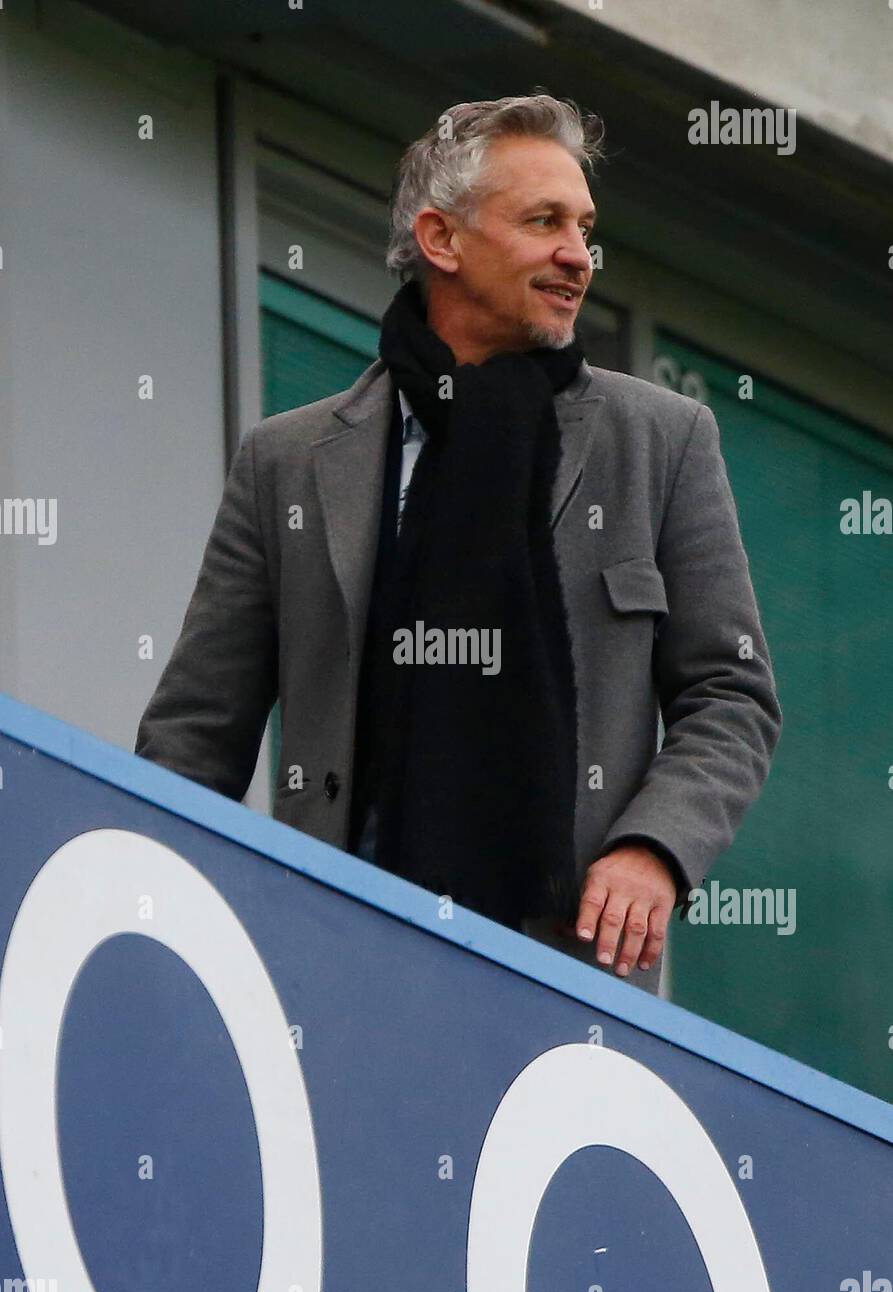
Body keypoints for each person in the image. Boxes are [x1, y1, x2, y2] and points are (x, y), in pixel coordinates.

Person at [135, 94, 782, 997]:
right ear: (441, 241)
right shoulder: (286, 461)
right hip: (327, 959)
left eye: (585, 228)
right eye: (543, 221)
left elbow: (731, 693)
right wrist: (167, 930)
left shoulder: (662, 442)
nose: (577, 255)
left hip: (569, 976)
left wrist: (653, 849)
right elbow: (194, 737)